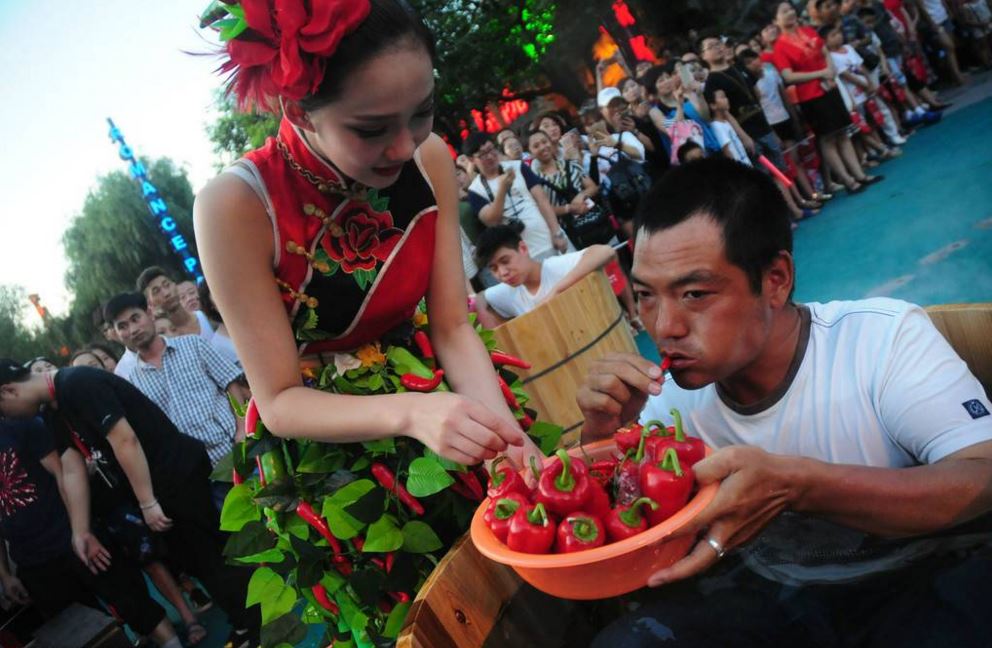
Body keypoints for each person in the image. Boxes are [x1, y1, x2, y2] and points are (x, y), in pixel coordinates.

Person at [193, 0, 541, 639]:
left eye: (422, 112)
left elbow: (452, 328)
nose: (405, 145)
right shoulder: (237, 205)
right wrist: (414, 413)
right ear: (298, 109)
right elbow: (278, 400)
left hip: (442, 390)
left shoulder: (428, 158)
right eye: (371, 127)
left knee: (534, 581)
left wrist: (507, 438)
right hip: (339, 456)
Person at [576, 158, 992, 647]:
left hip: (925, 574)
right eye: (645, 295)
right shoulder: (665, 403)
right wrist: (602, 438)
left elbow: (981, 477)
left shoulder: (881, 340)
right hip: (774, 597)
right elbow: (626, 521)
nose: (664, 326)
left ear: (775, 279)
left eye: (693, 293)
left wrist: (802, 486)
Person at [0, 362, 258, 646]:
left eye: (2, 410)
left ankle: (257, 622)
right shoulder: (52, 410)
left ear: (8, 391)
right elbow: (71, 467)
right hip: (153, 487)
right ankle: (245, 620)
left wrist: (147, 502)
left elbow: (125, 440)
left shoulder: (78, 383)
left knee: (211, 554)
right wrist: (80, 531)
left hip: (174, 474)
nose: (6, 417)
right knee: (193, 559)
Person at [0, 415, 183, 648]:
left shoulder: (21, 425)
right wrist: (5, 575)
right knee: (78, 634)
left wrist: (81, 530)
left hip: (73, 536)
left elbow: (63, 474)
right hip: (34, 563)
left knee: (132, 603)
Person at [104, 293, 247, 477]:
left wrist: (242, 429)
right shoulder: (132, 382)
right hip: (195, 474)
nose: (132, 330)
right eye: (122, 326)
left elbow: (230, 383)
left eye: (135, 318)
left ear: (150, 313)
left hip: (235, 449)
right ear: (116, 334)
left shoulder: (192, 344)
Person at [771, 1, 882, 195]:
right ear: (776, 20)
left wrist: (830, 70)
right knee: (827, 138)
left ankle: (860, 175)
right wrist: (820, 74)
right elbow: (788, 76)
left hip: (829, 87)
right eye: (784, 12)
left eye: (790, 9)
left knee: (842, 131)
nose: (789, 13)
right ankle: (849, 181)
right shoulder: (780, 47)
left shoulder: (808, 31)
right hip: (810, 96)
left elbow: (824, 51)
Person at [473, 225, 617, 325]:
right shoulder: (506, 292)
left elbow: (605, 251)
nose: (502, 273)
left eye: (505, 261)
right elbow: (477, 300)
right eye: (494, 268)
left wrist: (557, 290)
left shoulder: (555, 267)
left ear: (523, 248)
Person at [464, 132, 571, 259]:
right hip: (521, 254)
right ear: (471, 159)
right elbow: (491, 221)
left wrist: (556, 232)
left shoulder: (518, 167)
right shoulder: (475, 190)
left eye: (491, 149)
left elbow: (542, 201)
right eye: (483, 154)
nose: (490, 156)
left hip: (549, 238)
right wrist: (502, 190)